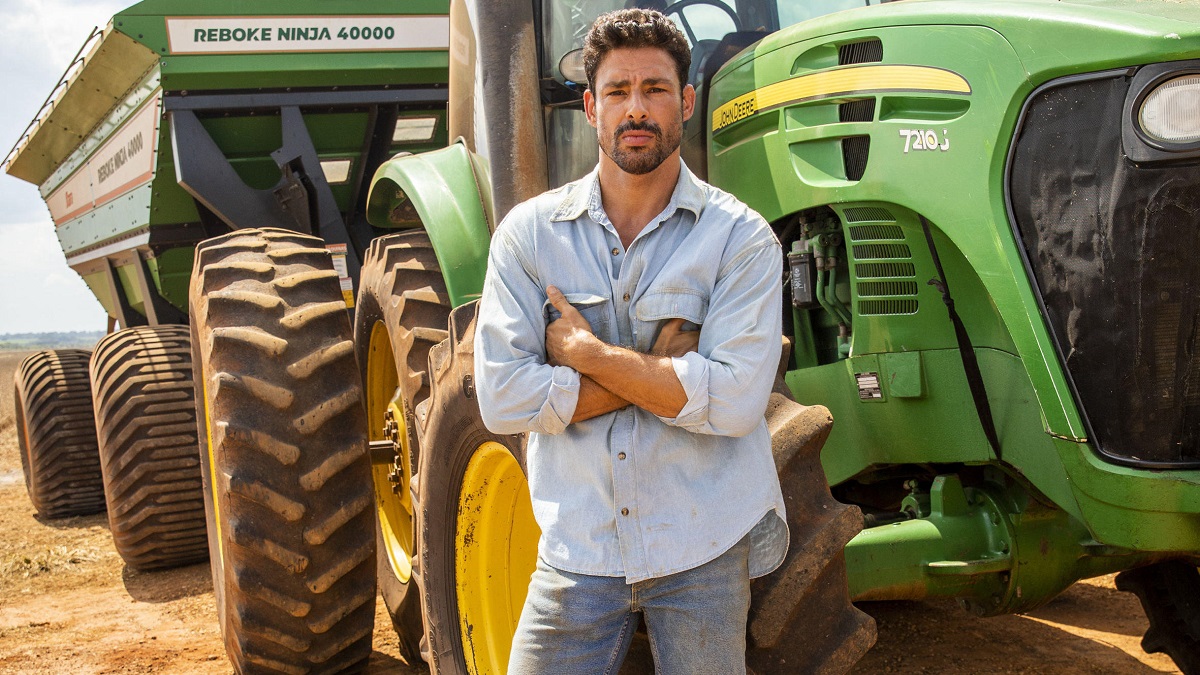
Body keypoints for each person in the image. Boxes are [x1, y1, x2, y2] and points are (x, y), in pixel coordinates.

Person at [474, 8, 788, 673]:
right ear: (591, 107)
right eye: (618, 92)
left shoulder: (740, 239)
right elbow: (501, 400)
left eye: (655, 90)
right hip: (578, 549)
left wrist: (588, 356)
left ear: (687, 102)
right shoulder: (530, 237)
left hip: (702, 544)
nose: (636, 108)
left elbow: (733, 404)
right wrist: (664, 375)